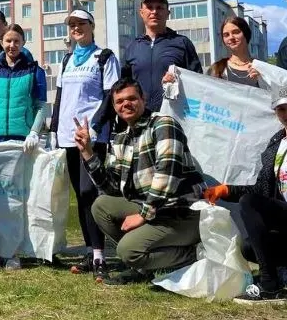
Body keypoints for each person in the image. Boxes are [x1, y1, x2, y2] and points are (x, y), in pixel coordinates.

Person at [202, 89, 287, 303]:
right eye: (282, 109)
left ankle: (269, 285)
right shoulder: (275, 145)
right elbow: (261, 191)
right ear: (276, 113)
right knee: (249, 247)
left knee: (250, 203)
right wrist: (226, 190)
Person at [77, 78, 203, 284]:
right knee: (101, 205)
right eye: (119, 101)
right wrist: (88, 153)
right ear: (114, 106)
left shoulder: (164, 124)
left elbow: (167, 173)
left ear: (143, 99)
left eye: (131, 98)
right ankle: (145, 264)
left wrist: (143, 215)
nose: (125, 104)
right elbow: (110, 187)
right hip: (154, 212)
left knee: (127, 251)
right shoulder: (121, 138)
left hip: (181, 213)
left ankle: (192, 254)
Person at [49, 9, 121, 280]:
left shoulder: (104, 57)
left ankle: (101, 254)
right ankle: (91, 250)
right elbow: (60, 97)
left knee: (90, 192)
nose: (76, 28)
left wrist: (94, 127)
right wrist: (55, 129)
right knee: (80, 196)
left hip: (91, 136)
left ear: (92, 26)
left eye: (81, 23)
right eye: (72, 24)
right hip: (68, 136)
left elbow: (109, 96)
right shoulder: (67, 59)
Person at [0, 23, 49, 270]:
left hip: (21, 143)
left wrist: (34, 132)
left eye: (16, 41)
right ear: (1, 43)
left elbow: (40, 106)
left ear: (23, 42)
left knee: (18, 199)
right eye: (8, 41)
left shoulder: (33, 70)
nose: (12, 45)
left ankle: (14, 252)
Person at [122, 0, 202, 112]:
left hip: (175, 115)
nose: (154, 11)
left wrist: (178, 81)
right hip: (140, 117)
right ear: (141, 13)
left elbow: (197, 82)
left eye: (159, 7)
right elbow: (124, 86)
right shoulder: (132, 47)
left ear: (168, 14)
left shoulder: (182, 43)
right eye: (149, 7)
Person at [207, 17, 261, 86]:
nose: (231, 37)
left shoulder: (261, 67)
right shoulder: (217, 69)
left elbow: (276, 95)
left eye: (235, 32)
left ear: (246, 33)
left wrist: (263, 79)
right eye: (226, 35)